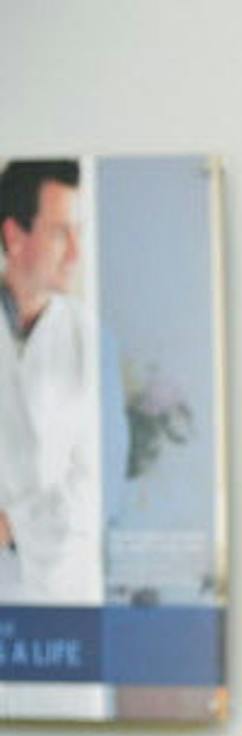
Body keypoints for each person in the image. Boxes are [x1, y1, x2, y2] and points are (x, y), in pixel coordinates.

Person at [0, 159, 96, 605]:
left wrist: (14, 523)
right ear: (14, 235)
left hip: (59, 591)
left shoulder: (89, 338)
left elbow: (94, 477)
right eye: (60, 233)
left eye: (78, 231)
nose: (76, 252)